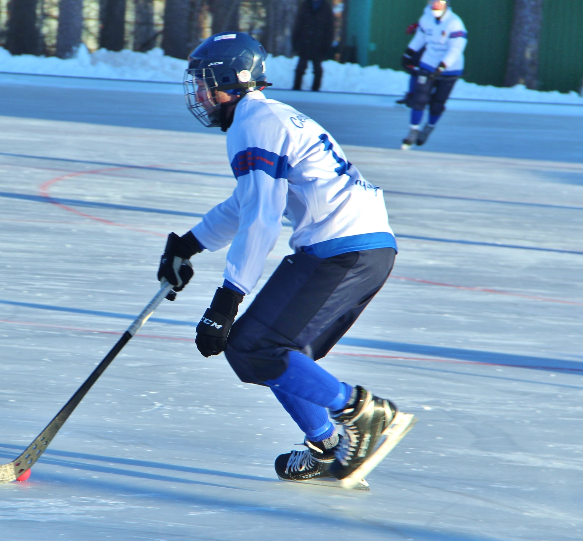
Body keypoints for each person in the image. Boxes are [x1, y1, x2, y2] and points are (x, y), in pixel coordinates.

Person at [161, 32, 415, 485]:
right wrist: (190, 244)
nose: (199, 94)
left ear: (230, 82)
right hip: (358, 247)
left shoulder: (252, 124)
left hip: (344, 250)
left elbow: (262, 219)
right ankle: (329, 445)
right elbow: (245, 204)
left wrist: (227, 299)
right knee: (274, 352)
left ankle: (361, 413)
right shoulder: (264, 117)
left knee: (253, 346)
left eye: (205, 83)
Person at [401, 0, 467, 149]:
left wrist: (442, 67)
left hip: (450, 68)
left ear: (446, 4)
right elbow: (420, 38)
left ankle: (429, 127)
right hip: (428, 63)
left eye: (439, 2)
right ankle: (413, 130)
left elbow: (456, 49)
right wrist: (408, 54)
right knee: (420, 97)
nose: (435, 5)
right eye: (433, 2)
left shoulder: (455, 23)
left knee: (438, 103)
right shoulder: (426, 19)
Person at [291, 0, 334, 92]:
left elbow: (329, 28)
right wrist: (295, 41)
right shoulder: (305, 5)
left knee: (317, 70)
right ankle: (296, 88)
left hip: (319, 44)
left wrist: (327, 45)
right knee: (300, 68)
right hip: (304, 43)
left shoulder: (325, 7)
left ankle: (315, 90)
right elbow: (298, 25)